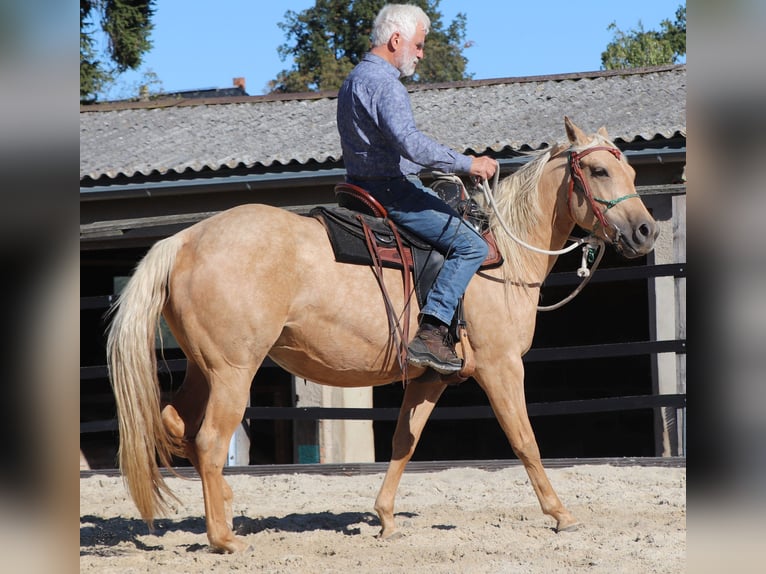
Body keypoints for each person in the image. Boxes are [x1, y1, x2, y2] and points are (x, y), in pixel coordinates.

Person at [336, 3, 498, 375]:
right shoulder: (385, 85)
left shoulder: (354, 79)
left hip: (360, 186)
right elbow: (411, 144)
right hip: (393, 192)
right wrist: (468, 163)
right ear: (396, 40)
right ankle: (433, 331)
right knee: (472, 244)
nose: (422, 54)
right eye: (420, 45)